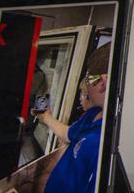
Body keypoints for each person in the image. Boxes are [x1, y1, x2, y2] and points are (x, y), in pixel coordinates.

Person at [39, 44, 111, 193]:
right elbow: (69, 134)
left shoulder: (106, 144)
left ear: (102, 83)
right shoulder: (93, 114)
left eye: (87, 78)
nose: (87, 87)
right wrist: (46, 117)